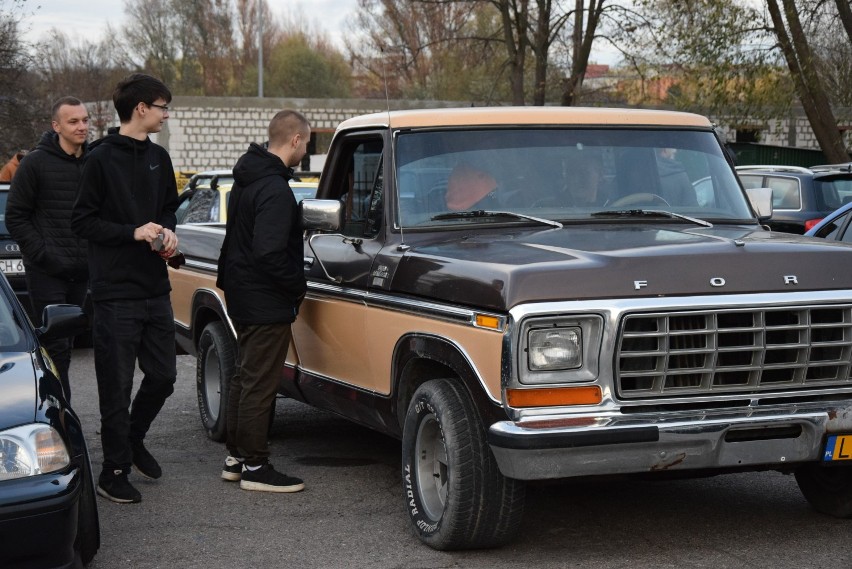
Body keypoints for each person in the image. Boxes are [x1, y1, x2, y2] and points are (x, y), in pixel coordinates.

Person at [71, 73, 179, 504]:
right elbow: (82, 222)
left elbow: (169, 209)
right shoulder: (99, 159)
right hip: (115, 292)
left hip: (155, 286)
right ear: (141, 109)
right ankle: (112, 471)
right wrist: (131, 232)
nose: (166, 114)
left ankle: (133, 440)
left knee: (165, 376)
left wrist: (168, 233)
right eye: (163, 107)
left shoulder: (160, 157)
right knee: (114, 387)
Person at [216, 109, 310, 493]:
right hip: (264, 297)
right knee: (260, 382)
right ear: (294, 141)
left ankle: (236, 458)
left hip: (242, 291)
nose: (305, 148)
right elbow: (269, 253)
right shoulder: (274, 188)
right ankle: (256, 466)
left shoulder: (248, 178)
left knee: (244, 375)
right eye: (305, 141)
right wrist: (296, 287)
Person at [6, 97, 90, 402]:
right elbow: (16, 216)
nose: (82, 126)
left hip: (83, 271)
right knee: (57, 349)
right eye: (73, 121)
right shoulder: (35, 163)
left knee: (71, 343)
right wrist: (42, 254)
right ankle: (60, 417)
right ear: (56, 126)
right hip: (47, 272)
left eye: (84, 120)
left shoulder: (94, 161)